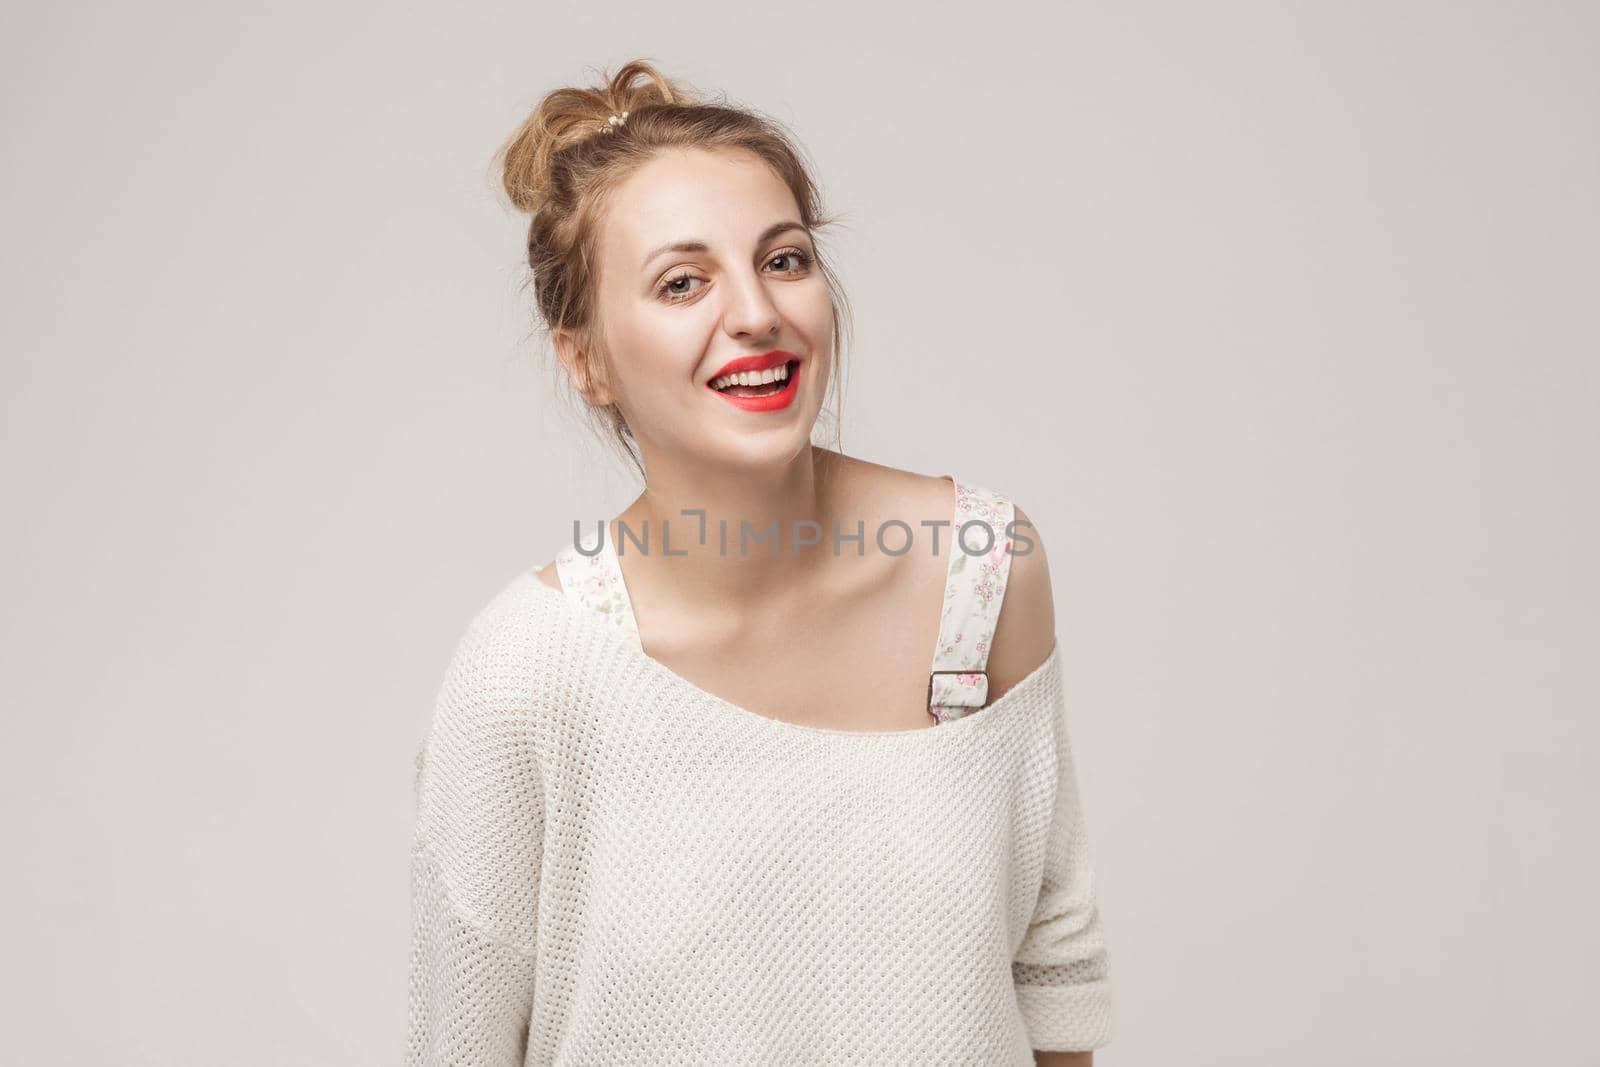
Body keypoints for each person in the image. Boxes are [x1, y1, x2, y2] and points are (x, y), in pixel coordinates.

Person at [406, 58, 1114, 1066]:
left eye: (782, 259)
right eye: (681, 281)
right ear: (586, 358)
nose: (754, 312)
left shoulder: (979, 571)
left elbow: (1055, 978)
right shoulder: (526, 673)